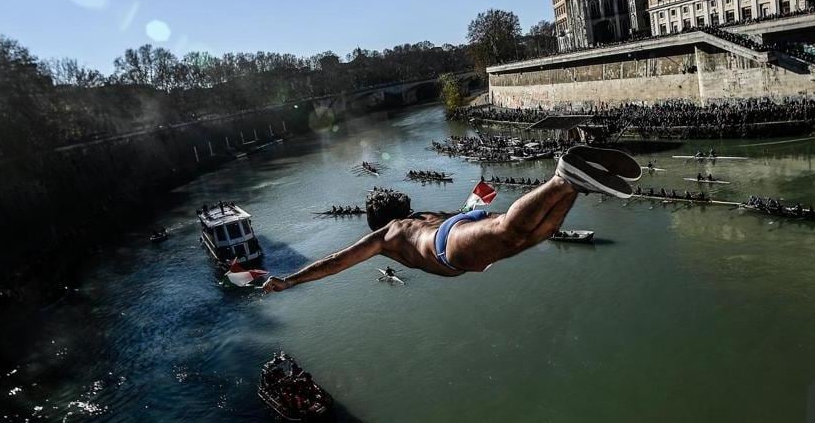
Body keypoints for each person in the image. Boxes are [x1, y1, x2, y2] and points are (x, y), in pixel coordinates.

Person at [261, 147, 641, 292]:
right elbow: (460, 219)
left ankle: (561, 176)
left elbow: (334, 262)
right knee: (539, 233)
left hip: (444, 249)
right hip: (456, 223)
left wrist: (290, 280)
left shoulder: (385, 235)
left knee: (511, 232)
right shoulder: (418, 215)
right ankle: (574, 183)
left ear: (377, 220)